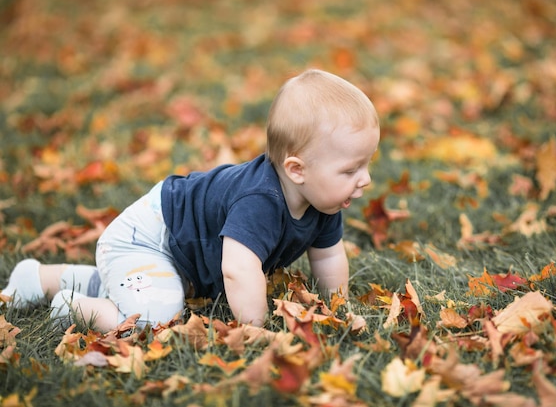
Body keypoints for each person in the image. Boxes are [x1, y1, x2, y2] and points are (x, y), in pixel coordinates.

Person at [1, 69, 380, 331]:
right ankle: (73, 307)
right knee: (158, 315)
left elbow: (329, 256)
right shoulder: (260, 200)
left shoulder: (325, 198)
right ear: (297, 169)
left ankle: (36, 279)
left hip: (170, 245)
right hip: (149, 237)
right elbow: (238, 269)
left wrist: (336, 308)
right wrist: (256, 331)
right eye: (350, 171)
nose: (364, 180)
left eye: (366, 165)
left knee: (143, 285)